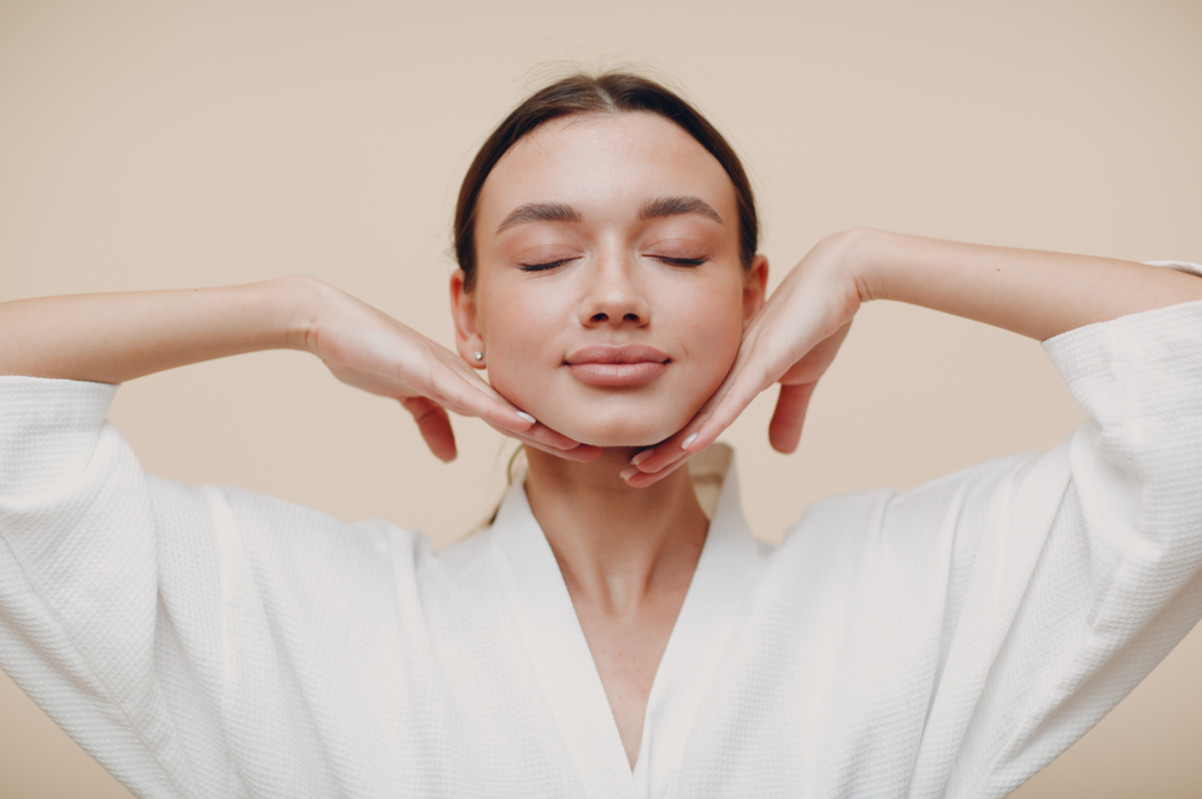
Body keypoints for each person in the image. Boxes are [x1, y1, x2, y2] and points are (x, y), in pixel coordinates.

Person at [1, 71, 1200, 798]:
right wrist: (294, 310)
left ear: (756, 297)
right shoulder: (299, 612)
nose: (615, 295)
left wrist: (872, 262)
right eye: (543, 257)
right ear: (465, 313)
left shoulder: (902, 590)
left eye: (677, 252)